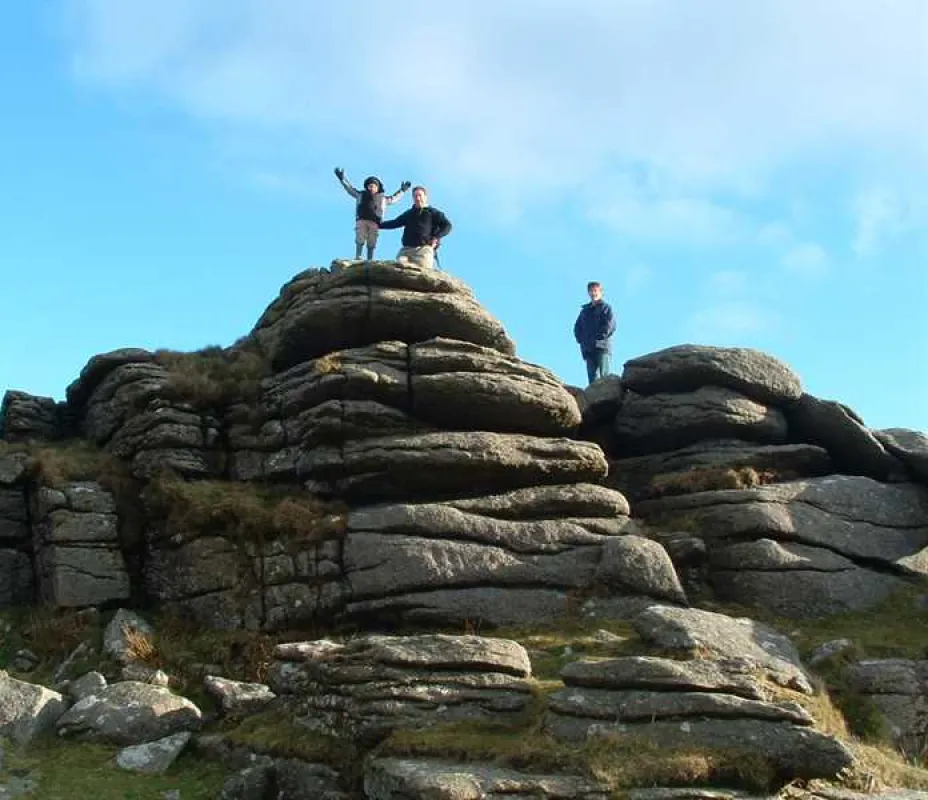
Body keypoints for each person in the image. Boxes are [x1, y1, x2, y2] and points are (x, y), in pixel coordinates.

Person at [334, 167, 411, 260]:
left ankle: (370, 258)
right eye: (369, 185)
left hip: (375, 222)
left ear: (378, 188)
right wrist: (342, 179)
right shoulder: (360, 195)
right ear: (366, 187)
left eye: (374, 186)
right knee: (360, 237)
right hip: (361, 220)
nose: (371, 187)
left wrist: (402, 190)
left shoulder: (383, 199)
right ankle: (358, 255)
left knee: (372, 240)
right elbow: (349, 188)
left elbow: (394, 198)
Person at [378, 186, 452, 269]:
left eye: (420, 195)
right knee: (399, 270)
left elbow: (447, 225)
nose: (418, 198)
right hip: (406, 251)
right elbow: (394, 223)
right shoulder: (409, 213)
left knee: (423, 273)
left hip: (424, 249)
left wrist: (436, 237)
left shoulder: (433, 212)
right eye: (415, 196)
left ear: (425, 197)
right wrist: (378, 224)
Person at [573, 281, 616, 384]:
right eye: (591, 291)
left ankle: (610, 397)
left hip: (602, 346)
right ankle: (594, 399)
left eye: (595, 290)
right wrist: (582, 341)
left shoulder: (606, 308)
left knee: (605, 376)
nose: (593, 293)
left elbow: (610, 326)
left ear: (601, 292)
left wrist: (598, 338)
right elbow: (577, 328)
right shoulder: (584, 311)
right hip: (588, 348)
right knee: (592, 379)